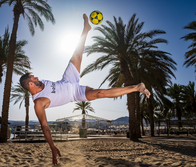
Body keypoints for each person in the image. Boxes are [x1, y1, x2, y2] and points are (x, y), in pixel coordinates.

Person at [20, 14, 151, 165]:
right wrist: (52, 148)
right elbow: (45, 127)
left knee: (77, 53)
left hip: (67, 79)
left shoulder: (40, 83)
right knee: (100, 93)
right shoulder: (38, 103)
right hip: (75, 94)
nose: (36, 78)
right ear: (30, 84)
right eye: (33, 78)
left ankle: (86, 29)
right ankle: (137, 87)